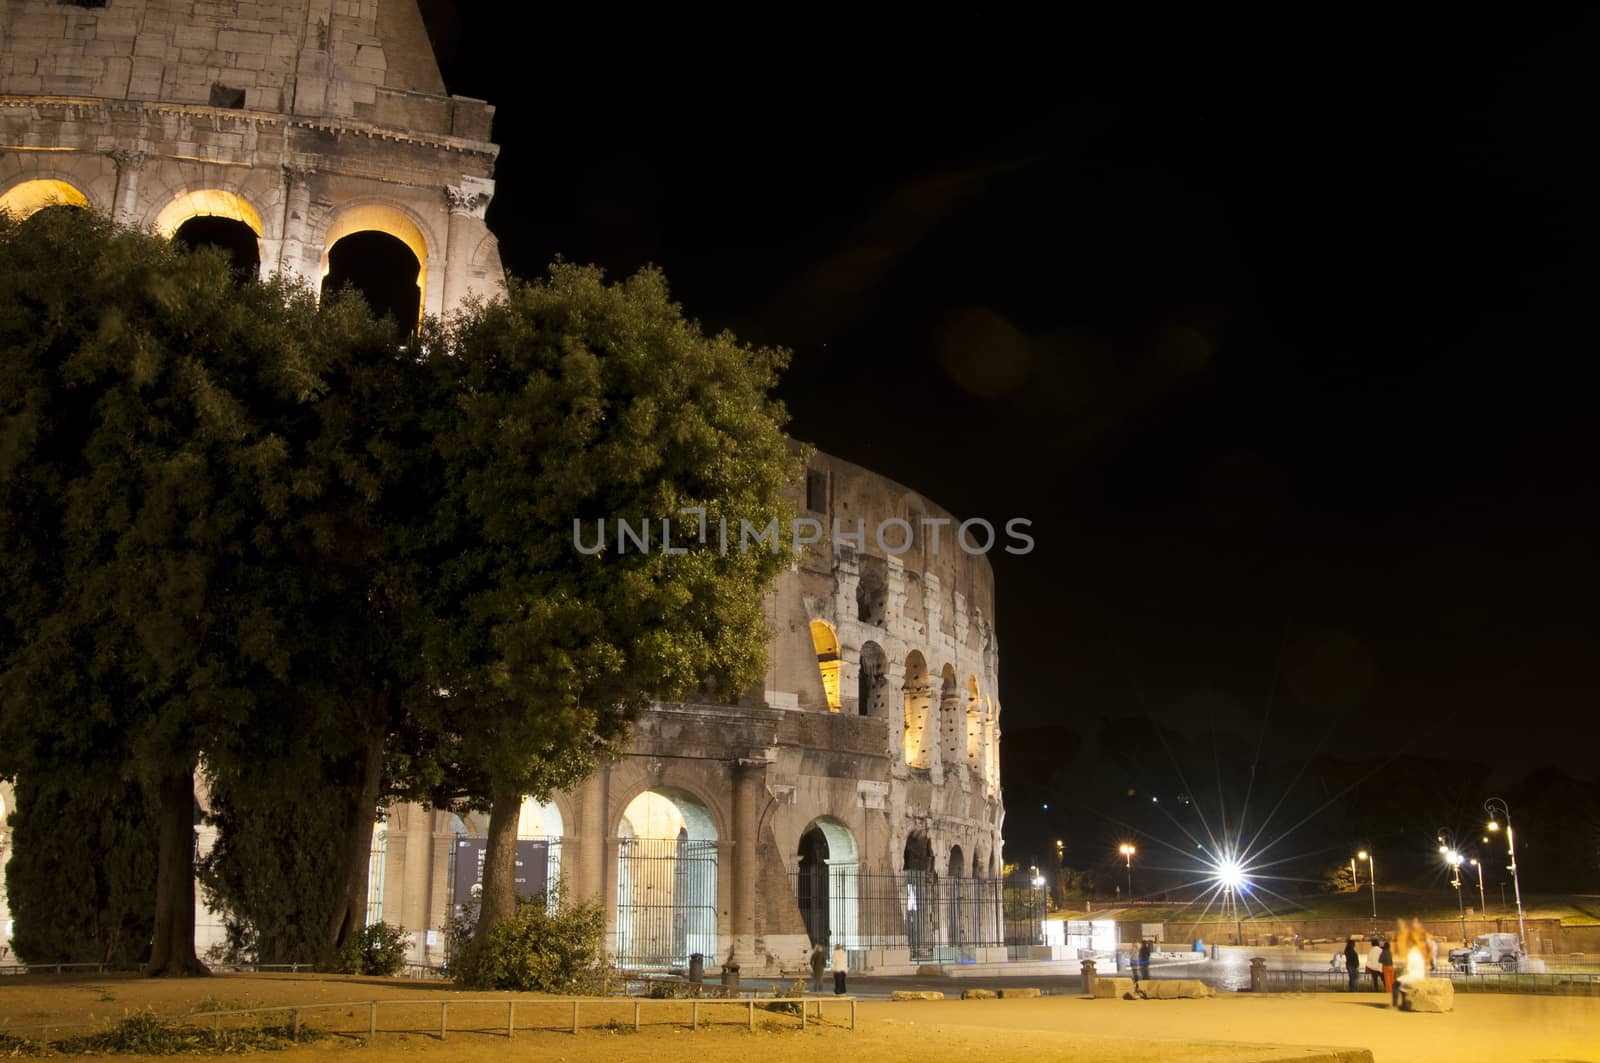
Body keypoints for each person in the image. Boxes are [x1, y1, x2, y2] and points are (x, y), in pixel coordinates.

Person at [1380, 938, 1395, 1006]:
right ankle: (1393, 991)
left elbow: (1380, 960)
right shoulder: (1390, 952)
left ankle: (1389, 992)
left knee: (1387, 981)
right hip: (1391, 967)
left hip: (1386, 967)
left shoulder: (1384, 952)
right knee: (1392, 980)